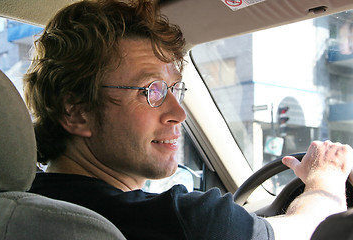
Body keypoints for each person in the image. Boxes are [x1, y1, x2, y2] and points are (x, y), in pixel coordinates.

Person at [24, 0, 353, 239]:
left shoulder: (19, 206)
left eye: (175, 89)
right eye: (151, 90)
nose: (178, 112)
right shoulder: (187, 223)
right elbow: (306, 230)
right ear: (77, 112)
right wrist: (326, 180)